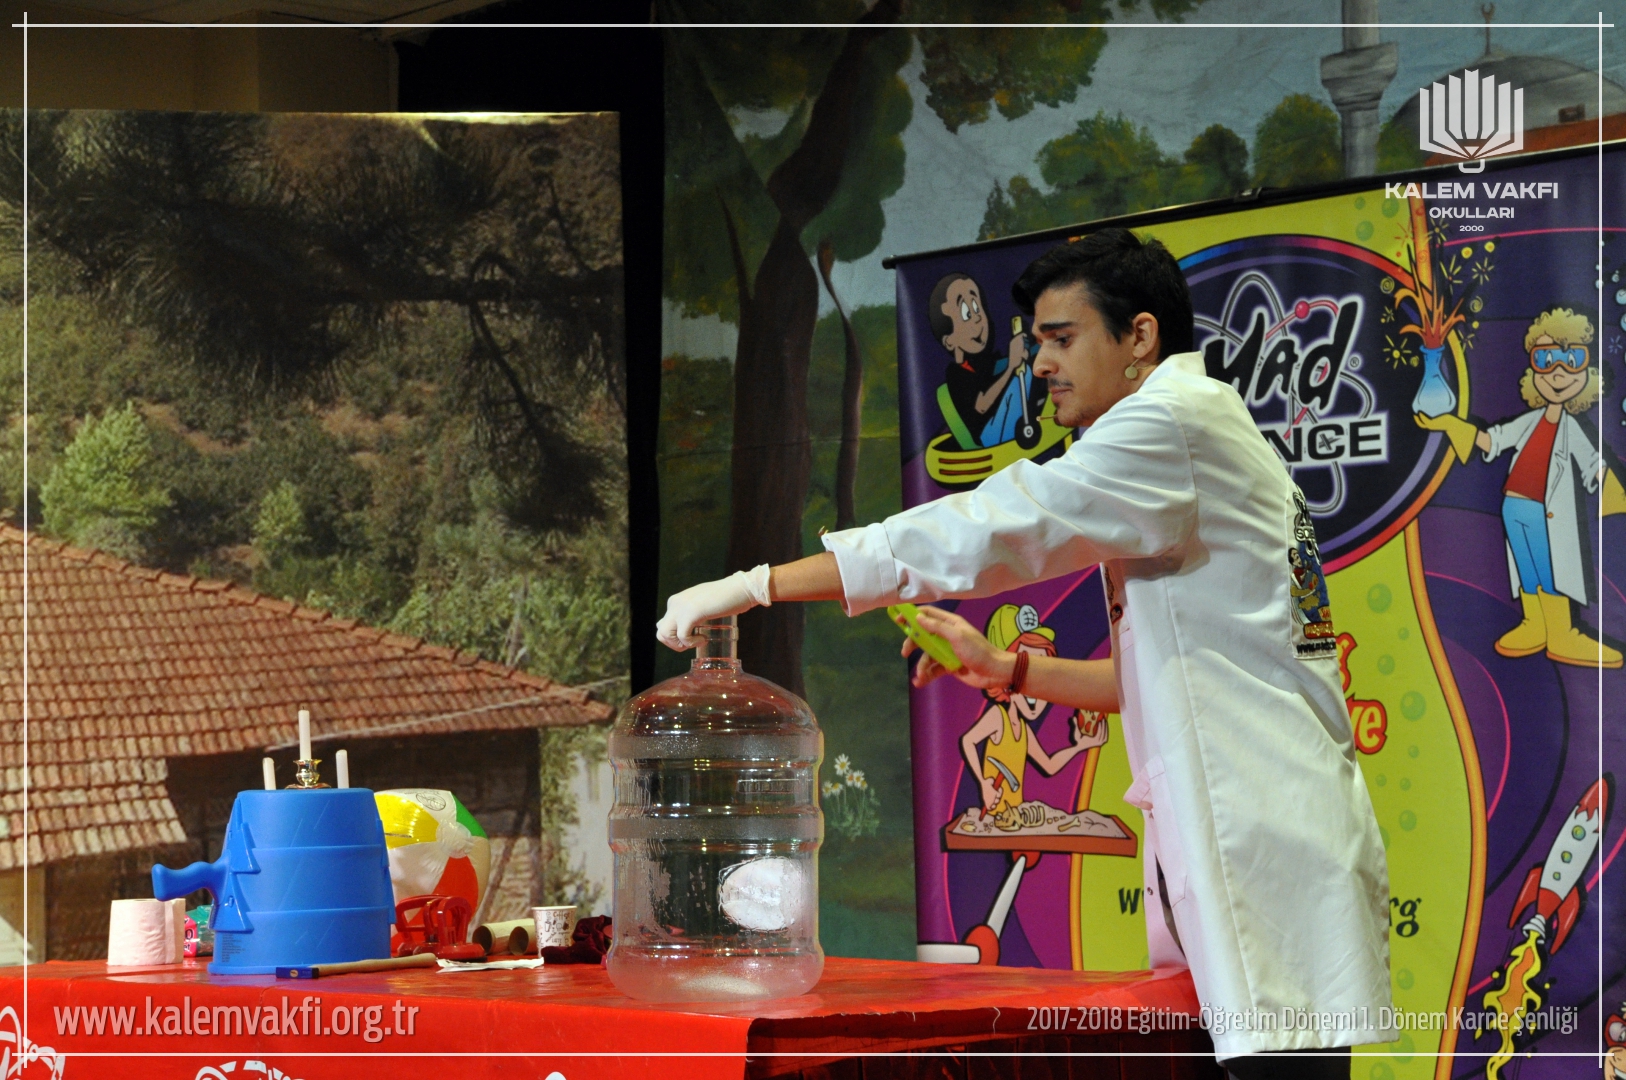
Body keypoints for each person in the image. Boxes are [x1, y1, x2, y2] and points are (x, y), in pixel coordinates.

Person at [657, 228, 1395, 1077]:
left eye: (1061, 338)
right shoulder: (1197, 430)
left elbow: (986, 527)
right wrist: (1006, 670)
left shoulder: (1170, 424)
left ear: (1140, 337)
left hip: (1260, 841)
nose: (1041, 363)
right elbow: (1158, 678)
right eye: (1037, 341)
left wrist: (758, 584)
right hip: (1254, 833)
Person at [1416, 306, 1620, 668]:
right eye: (1545, 359)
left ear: (1585, 375)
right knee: (1528, 568)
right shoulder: (1529, 421)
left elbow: (1593, 463)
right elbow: (1492, 440)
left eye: (1571, 360)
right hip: (1515, 507)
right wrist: (1451, 424)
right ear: (1533, 370)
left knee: (1549, 568)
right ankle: (1536, 624)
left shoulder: (1571, 427)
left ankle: (1562, 633)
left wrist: (1612, 489)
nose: (1558, 371)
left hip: (1545, 512)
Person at [931, 272, 1045, 448]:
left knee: (1030, 367)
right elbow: (981, 405)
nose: (977, 317)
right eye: (966, 313)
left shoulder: (985, 363)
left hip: (1003, 422)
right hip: (989, 435)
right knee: (1025, 373)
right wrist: (1011, 367)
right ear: (949, 341)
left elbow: (1002, 365)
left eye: (977, 308)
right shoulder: (956, 373)